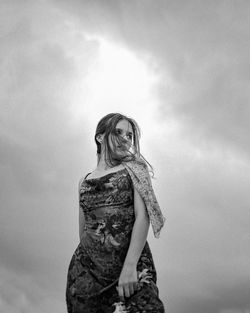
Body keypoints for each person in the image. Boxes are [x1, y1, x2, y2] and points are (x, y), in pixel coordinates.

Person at [66, 113, 166, 313]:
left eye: (130, 136)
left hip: (131, 266)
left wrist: (129, 267)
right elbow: (84, 231)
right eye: (118, 132)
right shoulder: (83, 181)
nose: (125, 139)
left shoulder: (134, 169)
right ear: (100, 137)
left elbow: (143, 217)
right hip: (88, 276)